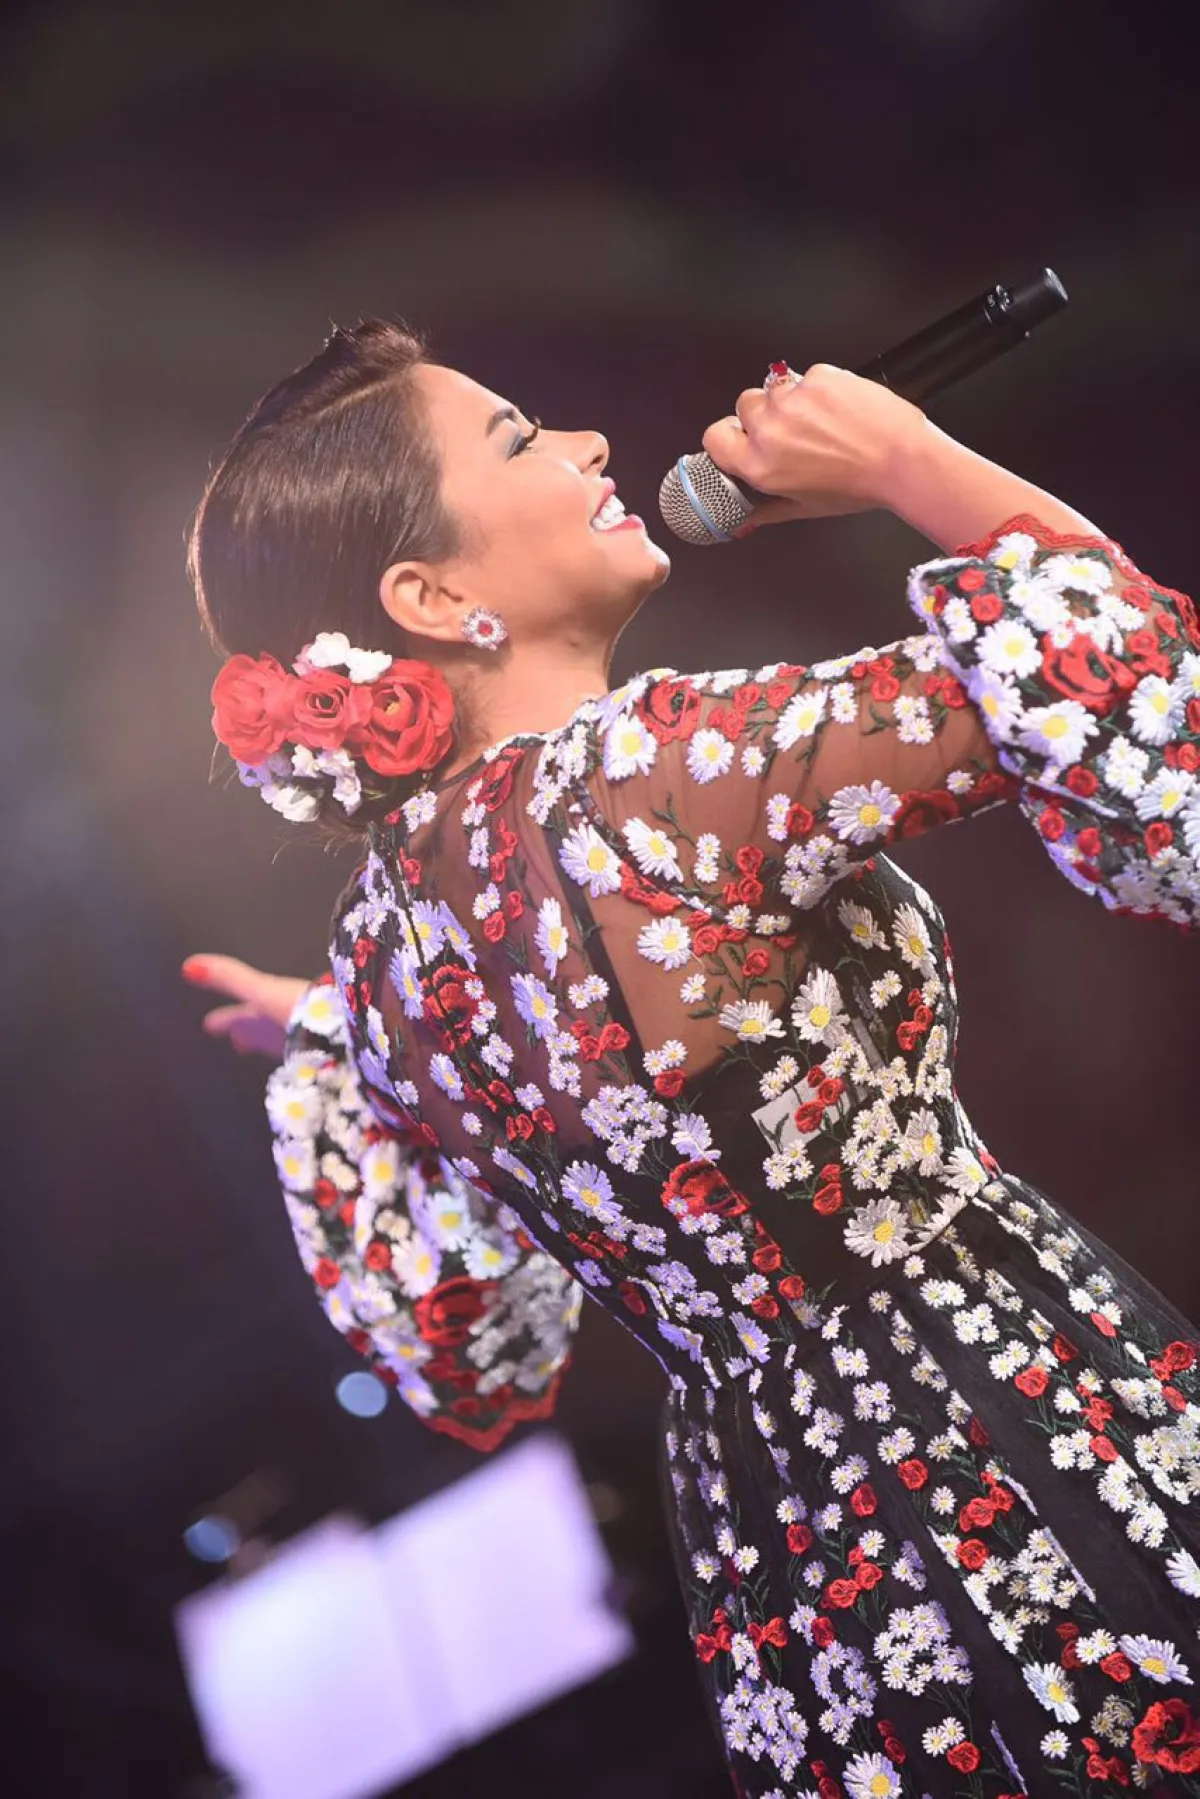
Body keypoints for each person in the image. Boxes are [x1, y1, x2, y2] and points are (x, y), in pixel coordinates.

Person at [184, 320, 1200, 1798]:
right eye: (521, 437)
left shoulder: (384, 956)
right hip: (1000, 1409)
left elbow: (470, 1331)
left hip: (792, 1539)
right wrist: (907, 460)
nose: (590, 443)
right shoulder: (654, 775)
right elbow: (1135, 700)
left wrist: (333, 1035)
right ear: (432, 597)